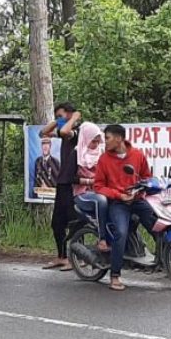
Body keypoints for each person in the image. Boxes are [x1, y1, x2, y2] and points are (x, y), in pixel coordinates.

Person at [94, 124, 157, 291]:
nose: (104, 142)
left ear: (119, 138)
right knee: (120, 233)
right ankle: (115, 275)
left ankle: (167, 262)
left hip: (137, 200)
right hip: (118, 203)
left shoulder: (137, 155)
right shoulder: (104, 159)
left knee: (157, 225)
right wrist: (118, 195)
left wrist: (140, 189)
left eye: (107, 138)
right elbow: (99, 186)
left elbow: (146, 177)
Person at [39, 102, 81, 271]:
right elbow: (43, 133)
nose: (59, 119)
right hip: (62, 183)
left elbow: (65, 131)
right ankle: (61, 257)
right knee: (57, 223)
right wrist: (58, 120)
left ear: (70, 114)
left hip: (72, 182)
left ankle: (77, 258)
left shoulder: (77, 132)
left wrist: (74, 118)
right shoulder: (63, 130)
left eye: (61, 115)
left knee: (74, 222)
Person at [72, 122, 110, 252]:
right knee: (101, 200)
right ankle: (102, 239)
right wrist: (90, 181)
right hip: (82, 194)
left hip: (99, 189)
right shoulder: (76, 154)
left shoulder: (101, 154)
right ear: (86, 139)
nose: (96, 145)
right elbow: (70, 178)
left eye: (98, 142)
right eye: (93, 142)